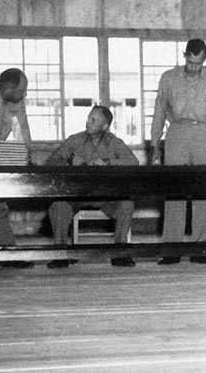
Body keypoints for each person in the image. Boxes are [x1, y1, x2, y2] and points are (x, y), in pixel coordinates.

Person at [150, 39, 206, 265]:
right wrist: (154, 146)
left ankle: (201, 247)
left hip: (204, 134)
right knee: (174, 191)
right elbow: (159, 111)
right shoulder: (168, 78)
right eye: (190, 62)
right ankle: (171, 248)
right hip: (177, 133)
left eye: (198, 64)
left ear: (205, 60)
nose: (193, 67)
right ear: (184, 55)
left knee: (204, 191)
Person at [44, 106, 139, 268]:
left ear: (105, 126)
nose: (88, 122)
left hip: (106, 196)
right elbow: (51, 162)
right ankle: (60, 253)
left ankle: (120, 252)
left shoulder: (115, 142)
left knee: (126, 203)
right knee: (58, 206)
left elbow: (133, 163)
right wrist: (69, 163)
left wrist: (109, 163)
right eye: (88, 118)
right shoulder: (74, 140)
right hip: (76, 195)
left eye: (93, 120)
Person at [0, 68, 33, 269]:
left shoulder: (15, 102)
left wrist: (28, 157)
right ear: (8, 87)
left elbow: (22, 131)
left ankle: (5, 252)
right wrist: (10, 152)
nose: (24, 95)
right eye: (22, 90)